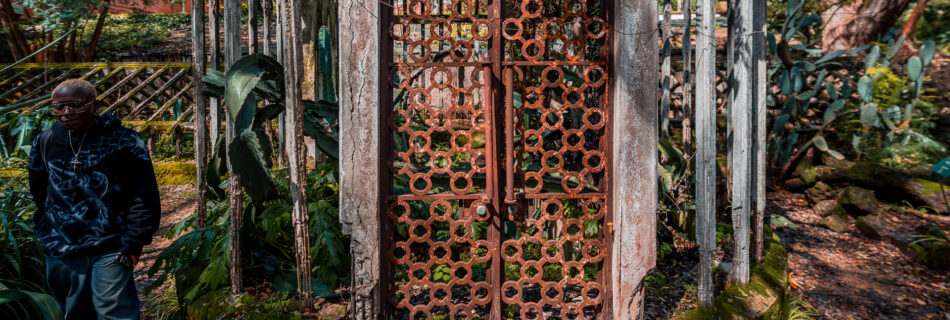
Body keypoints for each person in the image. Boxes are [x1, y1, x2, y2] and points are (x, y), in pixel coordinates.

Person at [28, 79, 161, 319]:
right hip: (62, 245)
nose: (66, 113)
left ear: (94, 104)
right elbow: (39, 189)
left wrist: (135, 240)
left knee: (114, 311)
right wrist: (50, 227)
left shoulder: (125, 141)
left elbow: (144, 193)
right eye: (59, 107)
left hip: (112, 243)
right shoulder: (45, 141)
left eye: (76, 105)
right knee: (75, 312)